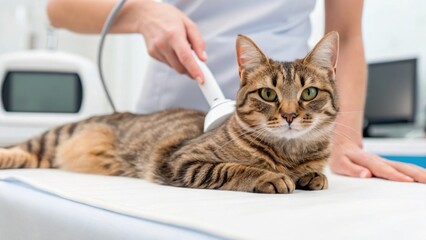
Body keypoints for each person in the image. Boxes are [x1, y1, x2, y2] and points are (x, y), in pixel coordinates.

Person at [47, 0, 426, 183]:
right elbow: (60, 8)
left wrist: (343, 140)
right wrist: (141, 12)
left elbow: (347, 34)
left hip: (293, 129)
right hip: (169, 117)